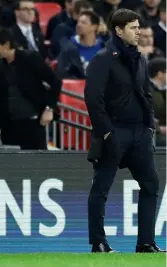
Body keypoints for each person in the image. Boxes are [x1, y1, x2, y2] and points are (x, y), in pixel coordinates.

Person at [84, 9, 165, 253]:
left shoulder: (140, 58)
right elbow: (92, 98)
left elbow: (145, 93)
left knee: (150, 185)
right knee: (102, 187)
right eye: (133, 27)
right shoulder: (103, 58)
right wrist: (106, 132)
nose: (138, 31)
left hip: (139, 132)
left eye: (138, 26)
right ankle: (99, 243)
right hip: (115, 131)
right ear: (118, 30)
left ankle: (146, 243)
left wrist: (150, 124)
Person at [0, 28, 61, 149]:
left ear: (6, 44)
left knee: (36, 164)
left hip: (32, 123)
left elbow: (55, 82)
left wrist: (49, 108)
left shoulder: (30, 58)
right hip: (8, 126)